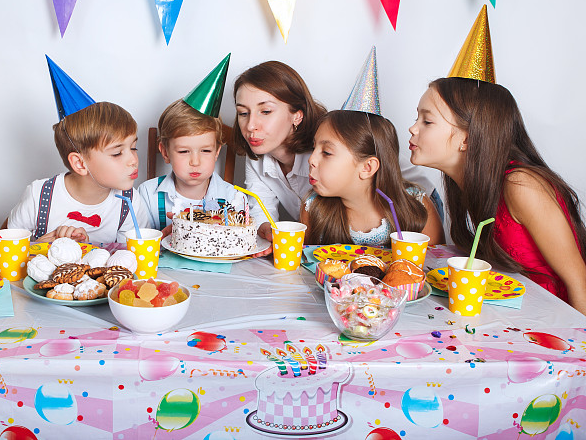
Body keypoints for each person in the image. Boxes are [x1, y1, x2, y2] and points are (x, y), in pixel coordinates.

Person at [409, 77, 586, 314]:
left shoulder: (521, 184)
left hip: (556, 321)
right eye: (417, 118)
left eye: (427, 121)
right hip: (516, 313)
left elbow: (578, 278)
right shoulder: (468, 182)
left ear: (467, 138)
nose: (413, 128)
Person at [233, 61, 439, 242]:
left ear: (297, 116)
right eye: (243, 113)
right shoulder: (311, 202)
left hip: (411, 205)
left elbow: (385, 178)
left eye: (266, 111)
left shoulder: (334, 144)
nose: (251, 125)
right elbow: (262, 213)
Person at [6, 101, 150, 245]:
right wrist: (37, 248)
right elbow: (5, 248)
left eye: (133, 148)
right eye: (117, 153)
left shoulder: (129, 202)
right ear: (80, 163)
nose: (133, 160)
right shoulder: (39, 196)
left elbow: (133, 259)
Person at [301, 110, 444, 246]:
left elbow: (434, 263)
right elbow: (304, 266)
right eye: (314, 148)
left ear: (367, 167)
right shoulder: (314, 209)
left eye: (326, 152)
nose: (311, 159)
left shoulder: (417, 206)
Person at [139, 100, 242, 230]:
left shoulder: (234, 198)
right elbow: (139, 243)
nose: (195, 162)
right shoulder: (148, 194)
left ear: (216, 152)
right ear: (165, 152)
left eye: (205, 151)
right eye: (184, 151)